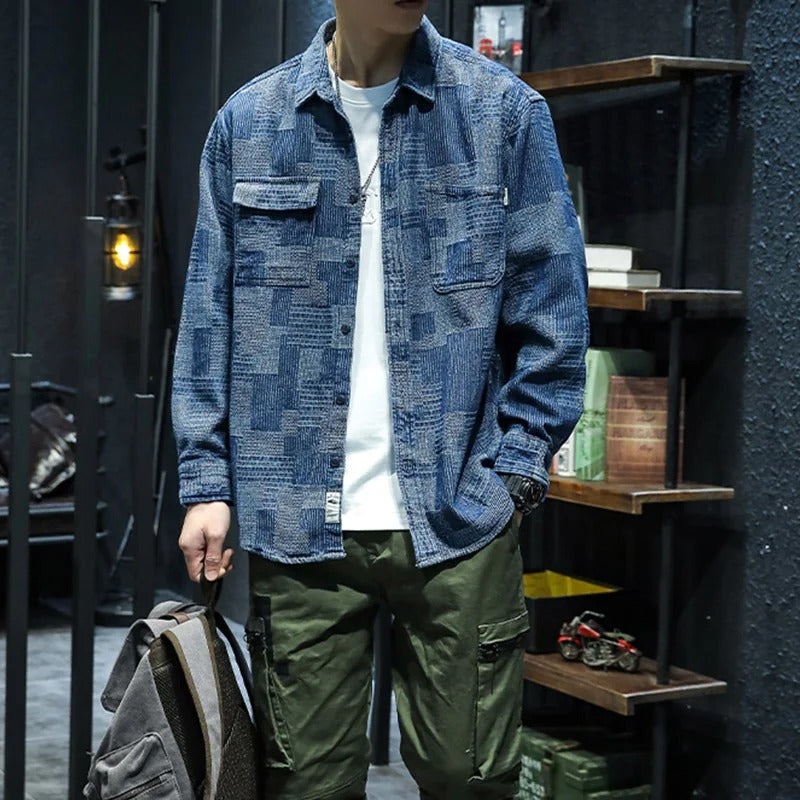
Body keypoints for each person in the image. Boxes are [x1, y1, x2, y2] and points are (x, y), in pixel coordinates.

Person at [172, 0, 588, 797]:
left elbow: (554, 312)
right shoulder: (250, 123)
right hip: (297, 520)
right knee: (307, 784)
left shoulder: (502, 113)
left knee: (470, 778)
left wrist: (515, 471)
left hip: (458, 514)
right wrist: (206, 481)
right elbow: (208, 317)